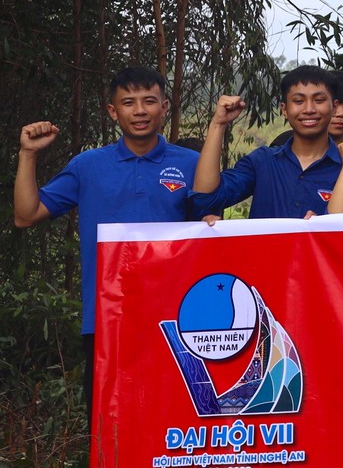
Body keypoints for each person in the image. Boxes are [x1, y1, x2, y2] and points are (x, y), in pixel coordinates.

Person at [12, 67, 205, 398]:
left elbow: (211, 229)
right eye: (128, 103)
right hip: (107, 317)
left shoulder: (192, 163)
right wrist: (28, 154)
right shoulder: (88, 166)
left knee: (171, 417)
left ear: (165, 106)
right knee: (107, 423)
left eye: (149, 101)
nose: (140, 111)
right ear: (113, 111)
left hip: (178, 319)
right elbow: (26, 215)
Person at [194, 66, 343, 218]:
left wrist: (325, 227)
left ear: (333, 107)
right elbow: (206, 200)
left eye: (319, 100)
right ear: (284, 110)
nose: (309, 109)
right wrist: (218, 124)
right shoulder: (262, 162)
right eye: (298, 101)